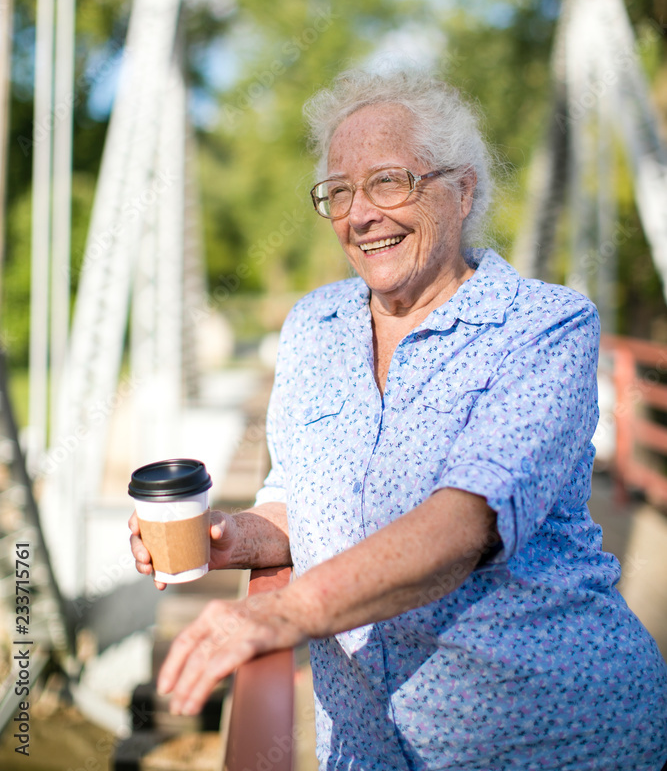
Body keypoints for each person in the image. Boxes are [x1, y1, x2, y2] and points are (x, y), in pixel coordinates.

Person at [130, 69, 667, 770]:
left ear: (463, 188)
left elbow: (466, 522)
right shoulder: (313, 327)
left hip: (550, 737)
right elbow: (301, 499)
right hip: (369, 744)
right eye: (340, 192)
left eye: (388, 182)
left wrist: (281, 613)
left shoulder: (542, 327)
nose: (359, 215)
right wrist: (234, 538)